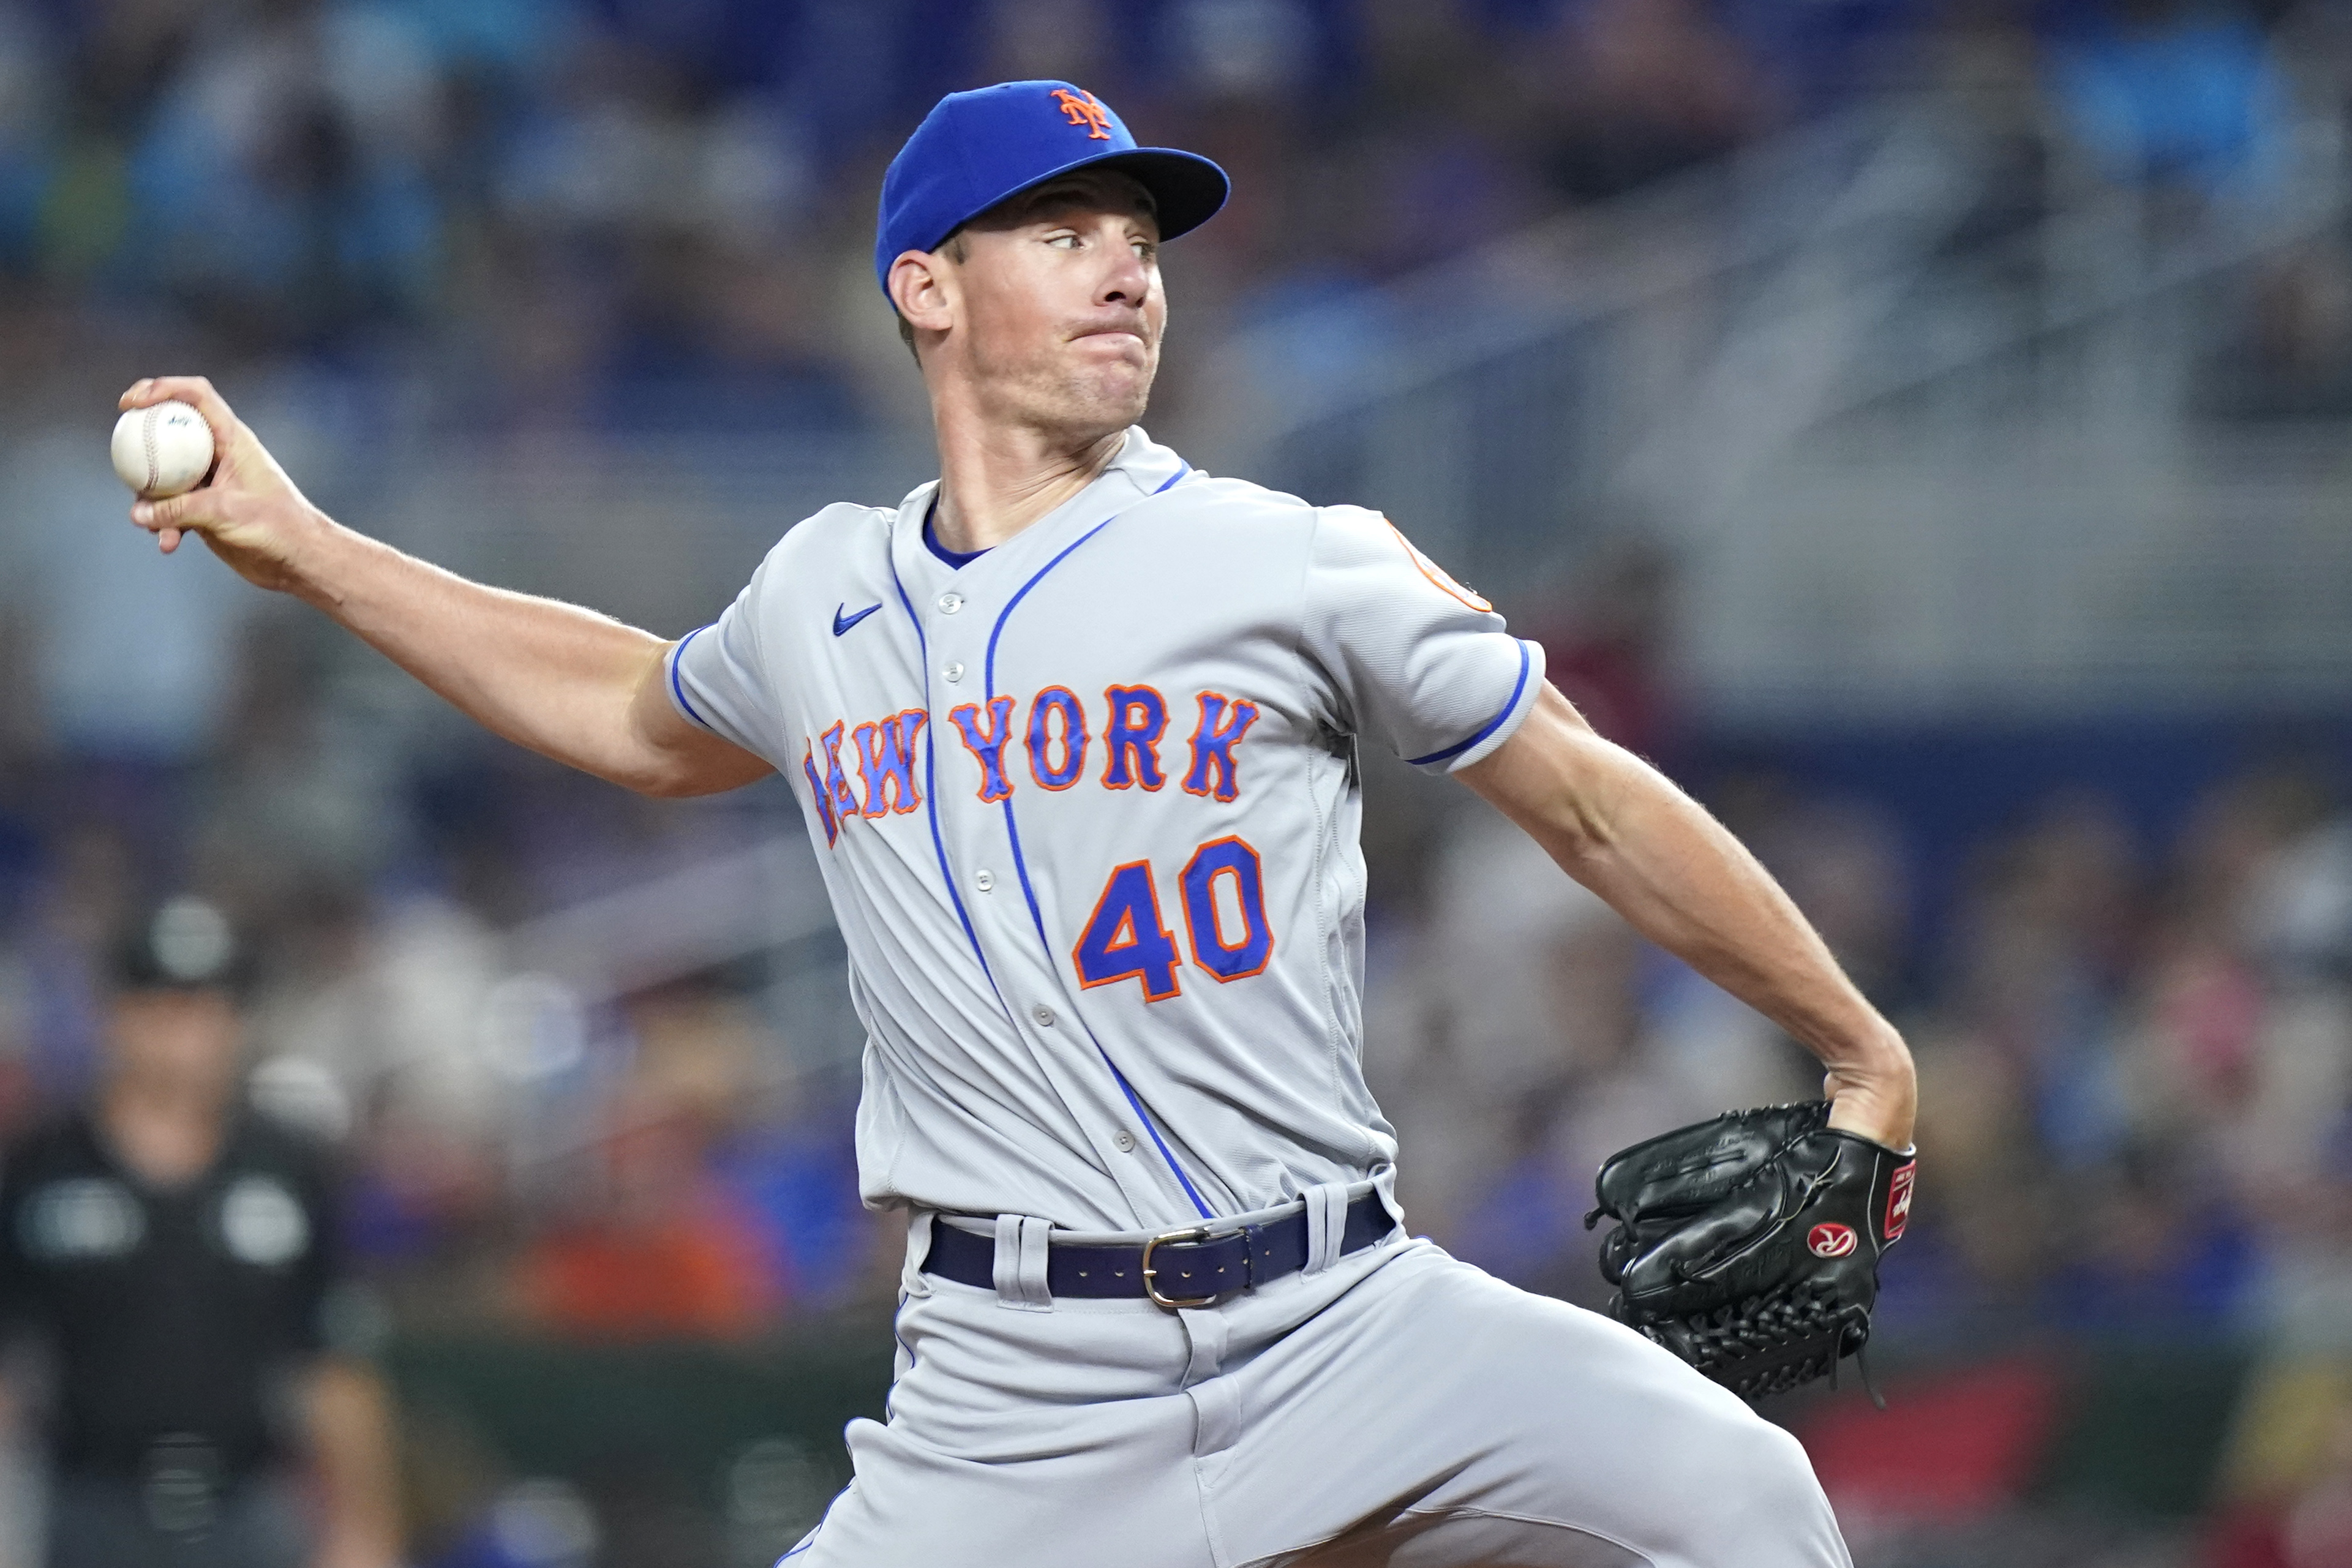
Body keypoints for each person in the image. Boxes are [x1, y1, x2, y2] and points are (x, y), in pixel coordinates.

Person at [116, 79, 1914, 1568]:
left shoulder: (1281, 556)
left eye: (1138, 242)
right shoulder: (820, 594)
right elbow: (629, 707)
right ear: (926, 286)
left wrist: (1851, 1044)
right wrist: (313, 549)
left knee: (1743, 1499)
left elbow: (1586, 798)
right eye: (1061, 235)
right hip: (1007, 1394)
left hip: (1346, 1318)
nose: (1124, 273)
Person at [0, 897, 402, 1568]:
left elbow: (333, 1360)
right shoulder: (44, 1165)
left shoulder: (286, 1165)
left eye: (210, 1007)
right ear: (116, 1014)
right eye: (163, 1005)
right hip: (92, 1501)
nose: (188, 1032)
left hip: (247, 1500)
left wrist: (366, 1526)